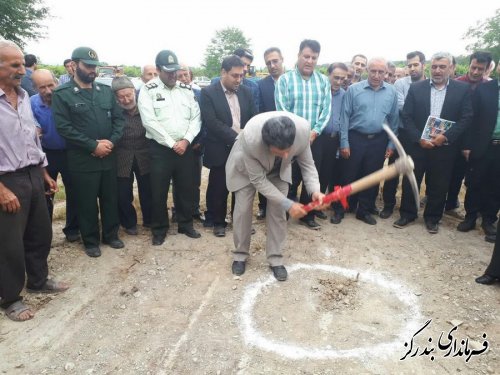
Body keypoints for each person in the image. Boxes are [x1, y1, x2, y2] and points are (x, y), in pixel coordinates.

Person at [0, 40, 68, 322]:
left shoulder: (25, 96)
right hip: (7, 181)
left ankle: (39, 281)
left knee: (40, 233)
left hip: (32, 174)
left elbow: (30, 138)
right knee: (9, 243)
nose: (22, 71)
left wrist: (43, 172)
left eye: (21, 64)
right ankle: (10, 298)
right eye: (14, 65)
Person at [226, 112, 326, 281]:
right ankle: (240, 255)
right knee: (242, 210)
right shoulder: (251, 138)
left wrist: (315, 190)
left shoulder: (301, 131)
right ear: (267, 144)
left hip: (279, 170)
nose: (287, 155)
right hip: (246, 169)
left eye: (288, 150)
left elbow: (308, 165)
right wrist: (289, 203)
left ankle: (276, 258)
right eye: (281, 151)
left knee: (278, 212)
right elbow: (258, 181)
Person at [52, 46, 125, 257]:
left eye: (95, 67)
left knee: (110, 198)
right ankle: (91, 240)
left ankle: (111, 235)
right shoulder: (62, 94)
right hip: (83, 160)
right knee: (86, 202)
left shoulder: (104, 91)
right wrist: (93, 146)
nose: (93, 70)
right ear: (74, 65)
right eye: (88, 66)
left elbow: (119, 120)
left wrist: (109, 143)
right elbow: (64, 127)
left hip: (108, 157)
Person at [393, 52, 473, 234]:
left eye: (442, 67)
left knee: (439, 184)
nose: (437, 70)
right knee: (411, 181)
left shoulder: (462, 90)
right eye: (434, 66)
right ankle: (407, 213)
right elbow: (407, 116)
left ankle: (432, 218)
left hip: (444, 147)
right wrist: (418, 138)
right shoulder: (417, 88)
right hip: (418, 145)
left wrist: (445, 137)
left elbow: (466, 117)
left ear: (451, 68)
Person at [138, 49, 202, 246]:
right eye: (168, 71)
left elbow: (196, 117)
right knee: (158, 190)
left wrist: (186, 140)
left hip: (185, 147)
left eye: (176, 71)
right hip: (161, 149)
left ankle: (185, 223)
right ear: (158, 70)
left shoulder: (186, 89)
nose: (173, 75)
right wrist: (172, 143)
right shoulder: (148, 90)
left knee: (186, 188)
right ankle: (159, 229)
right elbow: (149, 122)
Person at [275, 39, 331, 230]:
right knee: (289, 178)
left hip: (315, 139)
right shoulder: (285, 80)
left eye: (314, 58)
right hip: (290, 140)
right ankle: (284, 213)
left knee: (311, 177)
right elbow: (282, 110)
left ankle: (308, 215)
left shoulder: (323, 82)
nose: (309, 61)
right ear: (298, 55)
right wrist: (297, 136)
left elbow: (326, 111)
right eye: (306, 56)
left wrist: (314, 132)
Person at [201, 55, 257, 237]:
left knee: (242, 188)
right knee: (219, 187)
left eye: (241, 75)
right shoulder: (209, 92)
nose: (239, 79)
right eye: (235, 75)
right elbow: (211, 122)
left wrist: (247, 136)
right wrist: (236, 137)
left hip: (243, 149)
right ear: (223, 72)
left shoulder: (246, 92)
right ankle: (218, 222)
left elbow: (253, 118)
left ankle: (239, 220)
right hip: (220, 148)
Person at [339, 57, 399, 225]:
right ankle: (340, 208)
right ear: (367, 70)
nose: (377, 75)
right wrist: (344, 142)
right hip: (355, 138)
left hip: (378, 140)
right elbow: (344, 118)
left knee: (371, 177)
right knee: (347, 175)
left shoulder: (391, 92)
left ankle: (363, 211)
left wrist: (391, 144)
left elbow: (394, 120)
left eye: (381, 72)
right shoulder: (353, 90)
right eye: (373, 71)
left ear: (386, 73)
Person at [30, 69, 80, 242]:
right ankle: (45, 234)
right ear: (35, 88)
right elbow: (33, 128)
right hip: (46, 154)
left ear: (57, 82)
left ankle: (73, 229)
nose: (48, 91)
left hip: (70, 152)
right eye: (41, 87)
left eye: (50, 85)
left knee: (74, 192)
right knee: (45, 194)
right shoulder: (32, 103)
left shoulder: (67, 99)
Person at [380, 51, 426, 219]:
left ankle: (406, 211)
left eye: (415, 64)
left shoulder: (429, 84)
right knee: (393, 171)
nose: (412, 68)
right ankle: (388, 205)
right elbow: (402, 107)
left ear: (423, 65)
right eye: (409, 65)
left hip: (419, 136)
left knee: (412, 173)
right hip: (401, 133)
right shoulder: (400, 83)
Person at [458, 59, 500, 242]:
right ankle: (470, 217)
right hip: (482, 145)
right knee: (474, 182)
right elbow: (471, 119)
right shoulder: (485, 89)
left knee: (496, 185)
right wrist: (467, 145)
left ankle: (489, 220)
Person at [446, 51, 493, 215]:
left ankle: (473, 211)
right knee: (452, 172)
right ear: (469, 65)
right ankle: (449, 203)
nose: (475, 72)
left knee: (474, 176)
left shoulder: (489, 88)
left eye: (480, 69)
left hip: (478, 140)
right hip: (454, 136)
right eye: (473, 67)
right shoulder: (455, 83)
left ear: (487, 69)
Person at [111, 76, 152, 235]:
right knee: (123, 193)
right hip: (122, 156)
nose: (126, 99)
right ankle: (129, 223)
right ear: (116, 98)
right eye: (121, 97)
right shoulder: (115, 112)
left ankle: (149, 219)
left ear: (135, 92)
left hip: (144, 155)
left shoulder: (145, 108)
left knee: (148, 190)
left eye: (129, 95)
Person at [256, 47, 285, 220]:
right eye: (268, 63)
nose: (272, 65)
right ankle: (263, 206)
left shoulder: (291, 81)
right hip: (268, 136)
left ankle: (281, 206)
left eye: (275, 61)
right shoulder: (261, 85)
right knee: (265, 172)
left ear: (282, 59)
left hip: (288, 136)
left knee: (284, 174)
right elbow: (259, 110)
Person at [326, 62, 348, 224]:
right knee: (321, 175)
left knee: (339, 177)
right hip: (321, 140)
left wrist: (344, 142)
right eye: (336, 77)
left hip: (338, 140)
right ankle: (316, 208)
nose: (339, 82)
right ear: (329, 75)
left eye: (342, 78)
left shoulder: (345, 95)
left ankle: (338, 209)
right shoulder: (321, 93)